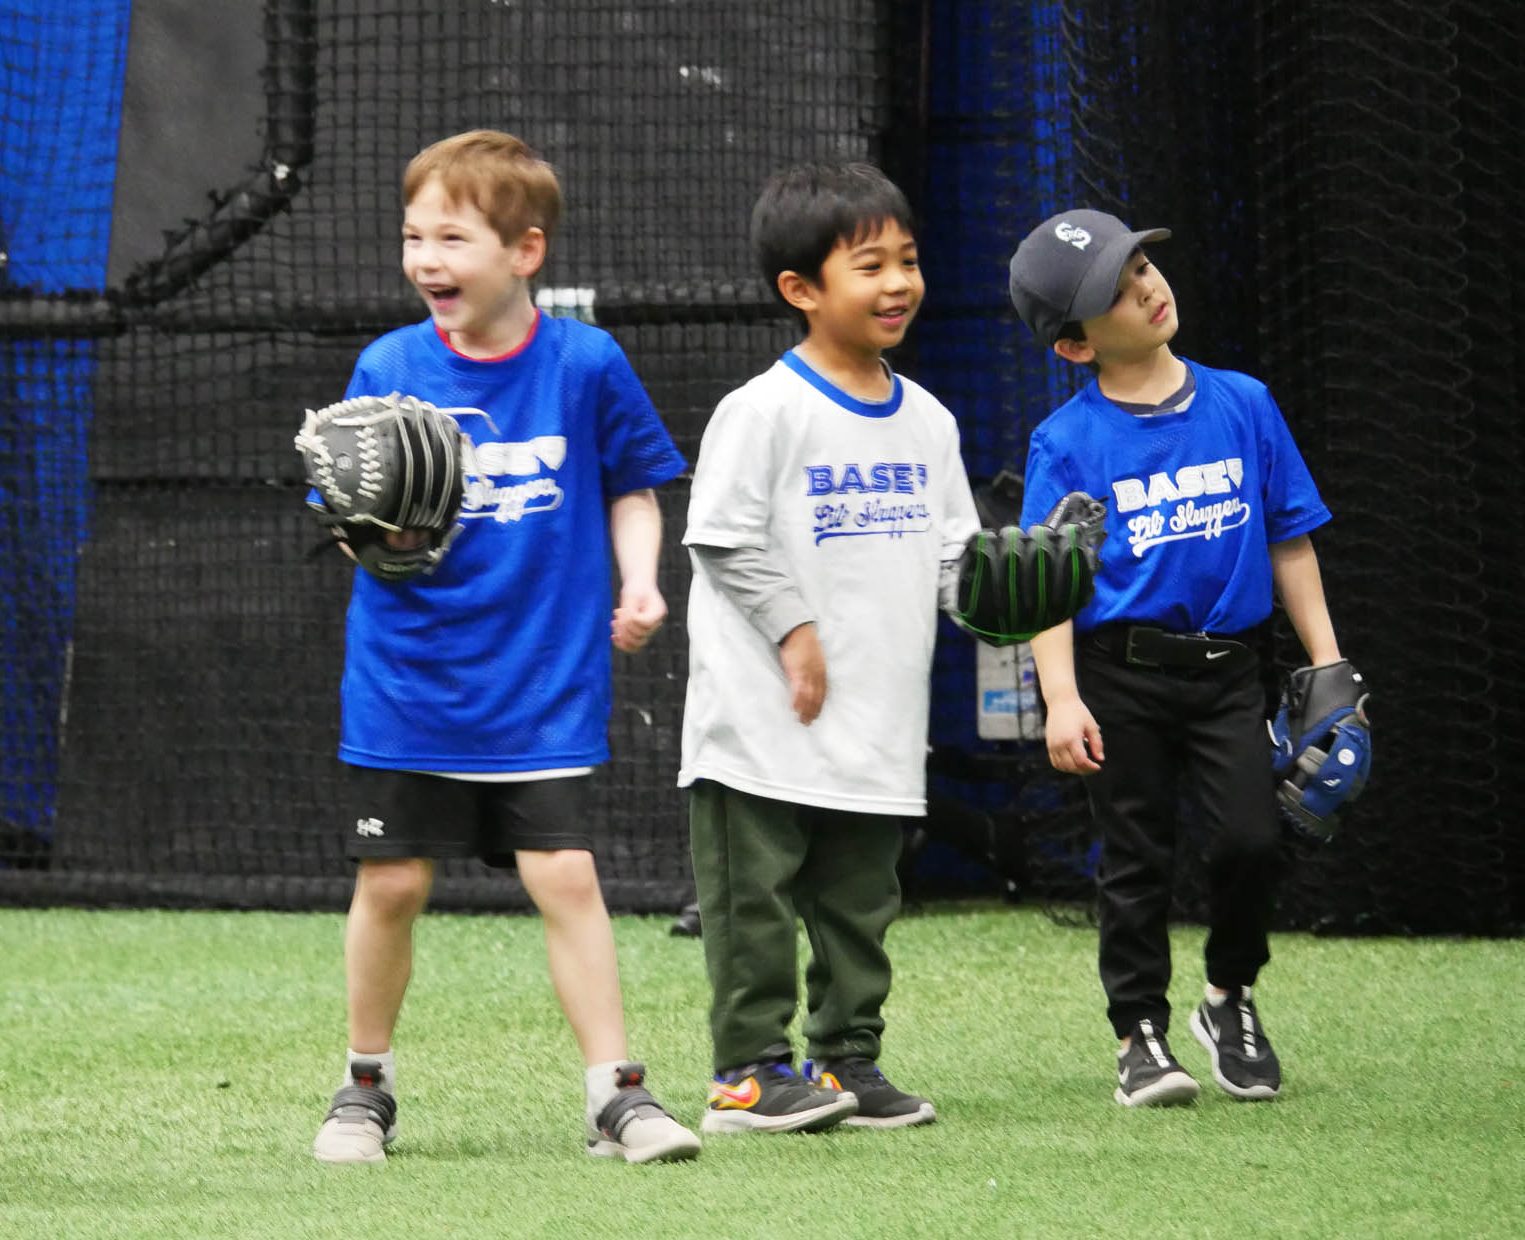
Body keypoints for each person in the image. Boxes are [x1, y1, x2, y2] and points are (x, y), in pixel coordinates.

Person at [309, 130, 700, 1166]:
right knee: (391, 881)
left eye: (452, 236)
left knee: (565, 872)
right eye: (413, 236)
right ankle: (363, 1086)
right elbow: (343, 504)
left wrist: (643, 579)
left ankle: (616, 1094)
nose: (426, 258)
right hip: (408, 679)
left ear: (525, 251)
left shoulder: (585, 361)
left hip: (542, 678)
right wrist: (377, 525)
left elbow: (631, 482)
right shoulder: (388, 365)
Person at [1007, 208, 1342, 1106]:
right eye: (1115, 293)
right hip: (1121, 677)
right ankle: (1139, 1035)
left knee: (1251, 840)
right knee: (1135, 857)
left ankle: (1227, 998)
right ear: (1074, 348)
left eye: (1141, 266)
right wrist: (1063, 699)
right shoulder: (1066, 444)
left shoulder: (1244, 402)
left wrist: (1329, 666)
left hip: (1232, 670)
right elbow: (1046, 589)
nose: (1147, 288)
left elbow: (1291, 539)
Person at [679, 162, 977, 1134]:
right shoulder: (763, 409)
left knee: (861, 900)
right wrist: (796, 632)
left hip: (876, 718)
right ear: (801, 290)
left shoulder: (930, 419)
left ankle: (844, 1058)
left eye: (909, 259)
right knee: (754, 901)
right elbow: (724, 536)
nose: (898, 282)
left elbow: (956, 556)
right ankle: (747, 1071)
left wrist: (1009, 591)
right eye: (870, 264)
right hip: (761, 718)